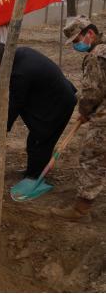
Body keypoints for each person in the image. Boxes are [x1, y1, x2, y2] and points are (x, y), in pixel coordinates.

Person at [0, 43, 78, 181]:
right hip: (51, 98)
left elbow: (16, 103)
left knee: (41, 141)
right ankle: (33, 171)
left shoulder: (20, 72)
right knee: (35, 139)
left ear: (4, 60)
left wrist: (4, 127)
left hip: (60, 103)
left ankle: (36, 177)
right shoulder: (20, 53)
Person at [51, 15, 105, 220]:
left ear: (89, 34)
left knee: (92, 157)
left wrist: (84, 111)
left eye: (76, 41)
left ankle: (81, 209)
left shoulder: (96, 55)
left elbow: (92, 91)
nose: (76, 46)